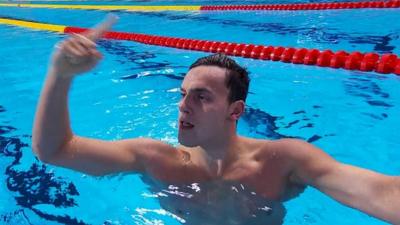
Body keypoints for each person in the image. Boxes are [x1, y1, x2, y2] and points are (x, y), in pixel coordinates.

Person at [32, 16, 400, 224]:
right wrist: (60, 75)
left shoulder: (285, 161)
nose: (183, 106)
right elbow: (55, 150)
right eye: (182, 94)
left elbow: (383, 193)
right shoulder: (155, 158)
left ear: (235, 111)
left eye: (201, 96)